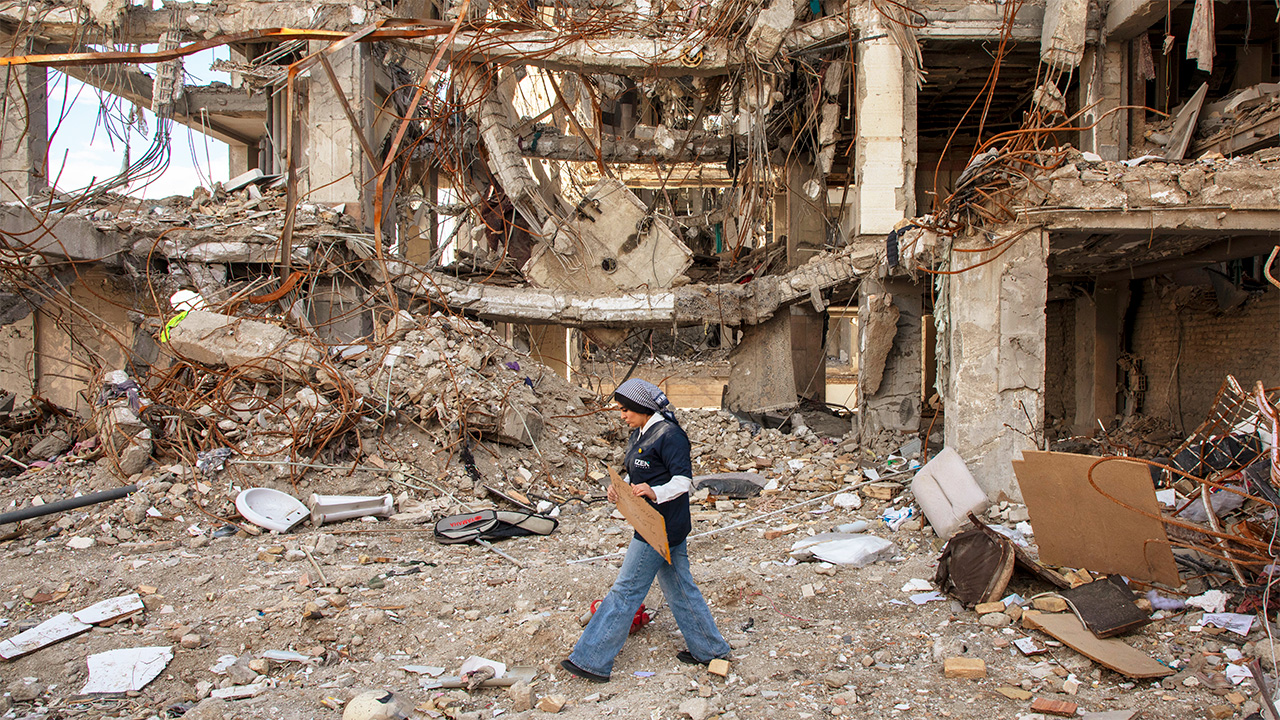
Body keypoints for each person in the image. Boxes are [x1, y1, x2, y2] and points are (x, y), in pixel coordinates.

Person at [560, 378, 731, 683]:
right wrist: (621, 488)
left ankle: (591, 659)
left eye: (626, 409)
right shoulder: (640, 433)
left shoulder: (670, 435)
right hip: (656, 523)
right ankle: (710, 649)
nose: (622, 415)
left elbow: (683, 481)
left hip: (660, 527)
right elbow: (639, 471)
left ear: (642, 407)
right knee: (680, 587)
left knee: (626, 590)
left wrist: (654, 492)